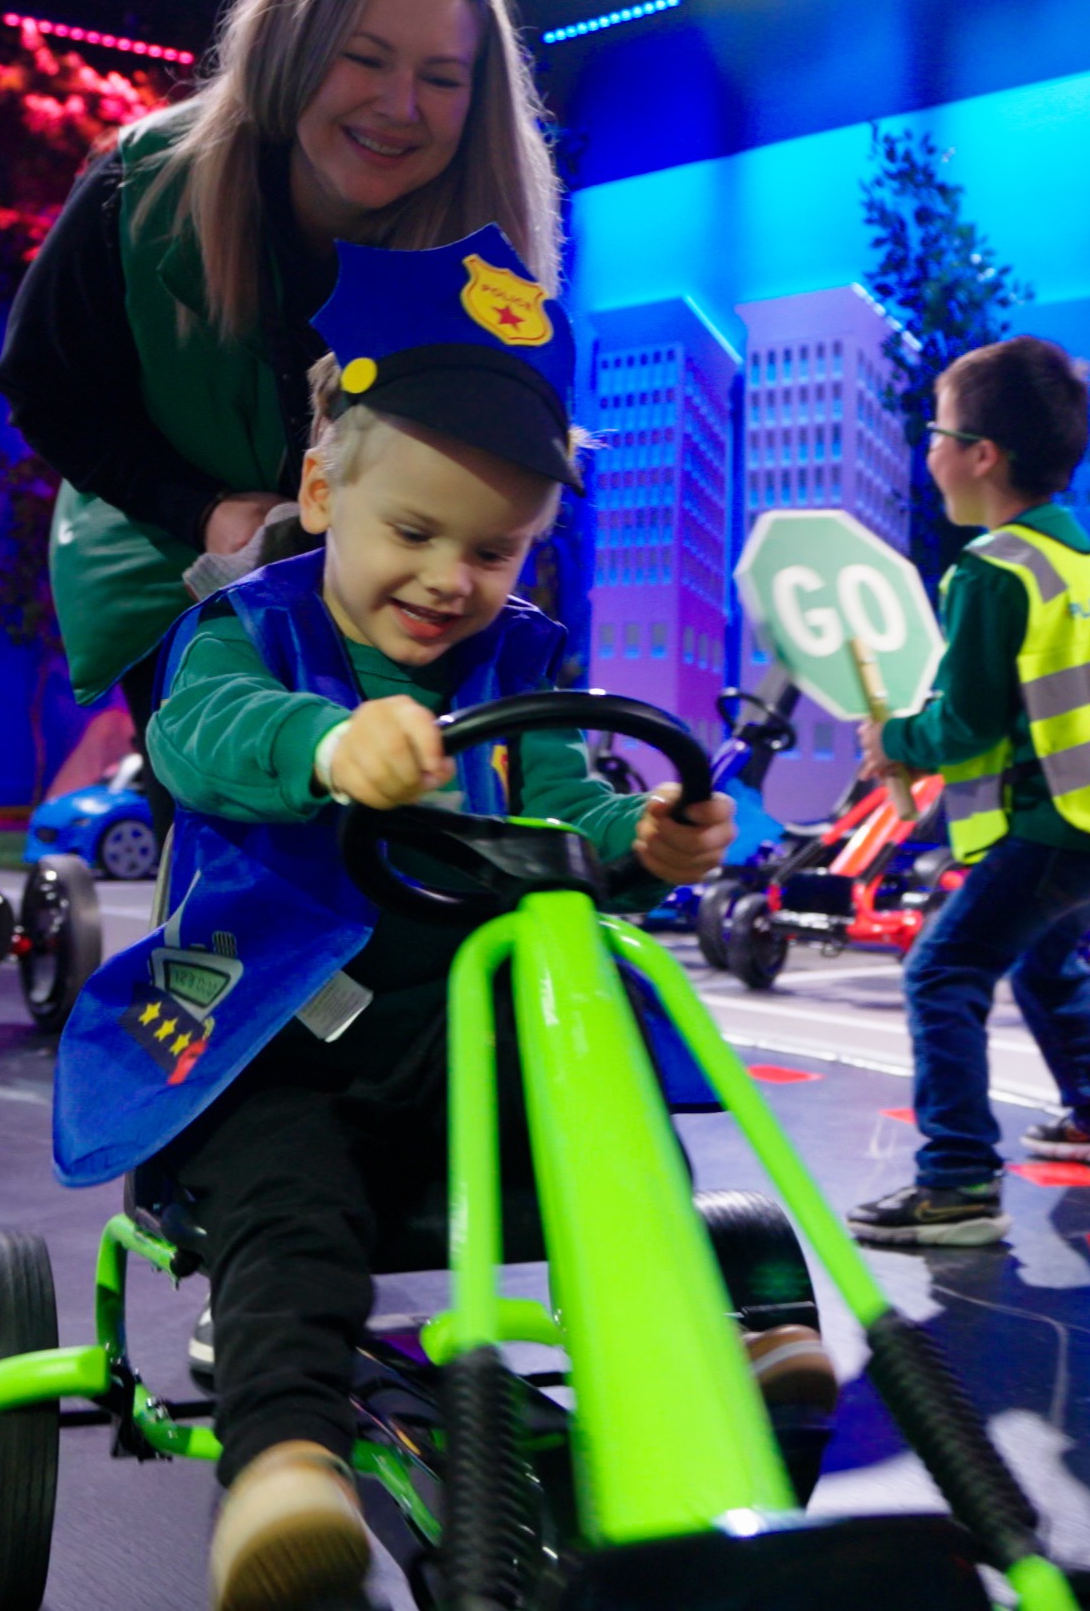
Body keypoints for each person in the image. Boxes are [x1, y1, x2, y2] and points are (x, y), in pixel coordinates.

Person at [48, 235, 789, 1611]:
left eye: (494, 546)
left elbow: (566, 797)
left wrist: (643, 841)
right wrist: (327, 748)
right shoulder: (246, 639)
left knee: (609, 1097)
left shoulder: (518, 657)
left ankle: (712, 1340)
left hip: (467, 1039)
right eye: (414, 533)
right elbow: (202, 742)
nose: (453, 578)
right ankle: (283, 1463)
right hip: (283, 1035)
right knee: (283, 1194)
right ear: (324, 489)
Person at [0, 0, 564, 734]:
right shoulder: (145, 181)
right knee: (241, 812)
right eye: (364, 59)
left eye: (441, 78)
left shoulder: (485, 247)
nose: (401, 106)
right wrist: (202, 510)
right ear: (291, 50)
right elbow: (48, 389)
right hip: (175, 573)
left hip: (393, 596)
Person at [850, 337, 1090, 1248]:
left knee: (943, 969)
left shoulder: (991, 571)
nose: (926, 449)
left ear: (981, 456)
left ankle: (960, 1184)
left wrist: (894, 739)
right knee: (1045, 958)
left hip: (1068, 819)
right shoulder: (1069, 553)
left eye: (936, 430)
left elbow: (966, 727)